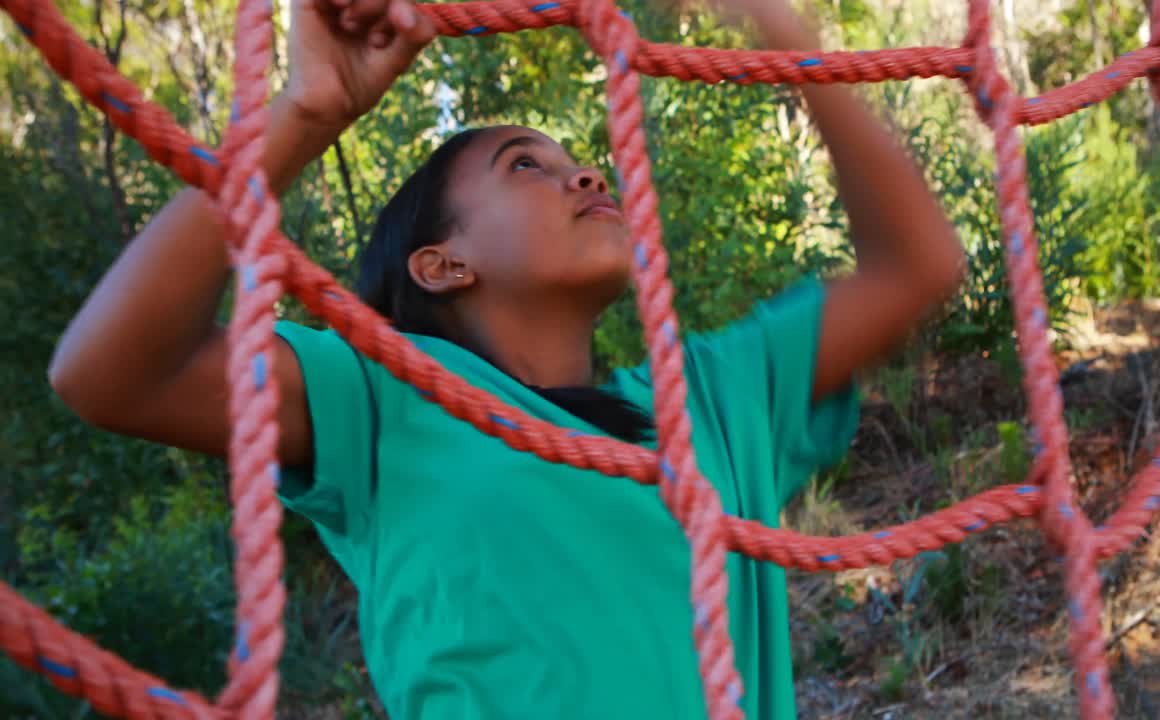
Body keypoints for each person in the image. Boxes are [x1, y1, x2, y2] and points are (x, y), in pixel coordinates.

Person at [46, 0, 964, 717]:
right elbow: (107, 374)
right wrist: (303, 113)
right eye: (526, 165)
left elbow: (917, 266)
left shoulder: (704, 407)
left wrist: (785, 35)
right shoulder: (385, 393)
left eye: (575, 160)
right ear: (440, 265)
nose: (588, 174)